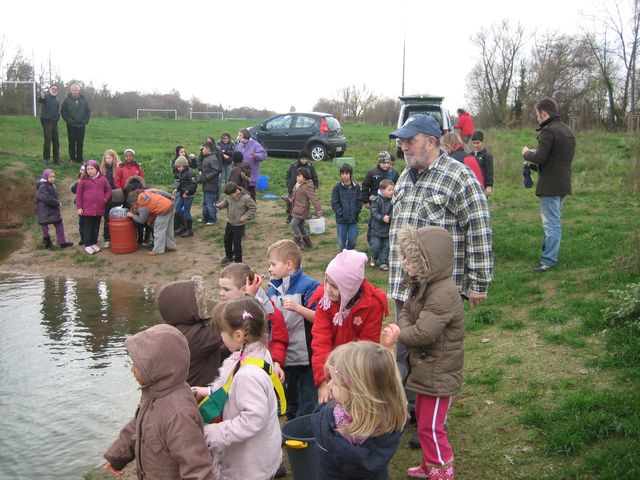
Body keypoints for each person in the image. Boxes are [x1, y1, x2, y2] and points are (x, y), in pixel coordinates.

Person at [388, 114, 492, 437]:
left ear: (432, 142)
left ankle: (431, 421)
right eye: (402, 141)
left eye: (410, 141)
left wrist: (479, 282)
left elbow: (479, 227)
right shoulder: (405, 176)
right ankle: (406, 411)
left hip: (438, 290)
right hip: (403, 287)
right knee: (403, 349)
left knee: (433, 356)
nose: (404, 147)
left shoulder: (458, 177)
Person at [381, 226, 464, 480]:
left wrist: (399, 333)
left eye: (411, 259)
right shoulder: (421, 285)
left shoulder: (442, 294)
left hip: (439, 372)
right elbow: (405, 312)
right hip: (427, 368)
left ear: (428, 263)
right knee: (426, 425)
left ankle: (442, 471)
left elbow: (422, 333)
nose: (404, 263)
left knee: (431, 427)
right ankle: (430, 465)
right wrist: (405, 326)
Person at [103, 324, 214, 480]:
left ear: (157, 368)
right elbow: (137, 425)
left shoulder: (179, 415)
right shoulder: (154, 394)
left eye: (137, 365)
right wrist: (117, 456)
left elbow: (198, 469)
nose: (132, 370)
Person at [194, 297, 283, 480]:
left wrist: (214, 433)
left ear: (239, 336)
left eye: (222, 332)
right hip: (260, 452)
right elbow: (233, 390)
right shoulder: (259, 354)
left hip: (250, 463)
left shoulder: (247, 375)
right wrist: (206, 391)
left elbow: (253, 418)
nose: (221, 336)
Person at [310, 341, 408, 480]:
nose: (330, 385)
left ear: (358, 391)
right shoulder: (387, 424)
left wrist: (320, 416)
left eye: (335, 380)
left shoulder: (326, 422)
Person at [309, 249, 387, 403]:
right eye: (326, 282)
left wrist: (340, 378)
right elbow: (321, 340)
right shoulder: (325, 301)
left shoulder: (372, 305)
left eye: (335, 286)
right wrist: (323, 381)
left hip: (356, 371)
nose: (328, 289)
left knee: (354, 408)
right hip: (328, 366)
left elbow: (365, 347)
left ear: (350, 287)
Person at [266, 239, 320, 420]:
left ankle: (305, 436)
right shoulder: (272, 288)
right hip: (284, 359)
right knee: (289, 401)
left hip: (306, 359)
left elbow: (320, 318)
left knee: (308, 401)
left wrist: (299, 308)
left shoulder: (310, 286)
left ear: (289, 264)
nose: (269, 269)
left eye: (273, 264)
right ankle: (291, 432)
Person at [522, 97, 575, 273]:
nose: (537, 119)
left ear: (544, 113)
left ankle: (548, 261)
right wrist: (533, 167)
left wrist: (527, 153)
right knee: (554, 221)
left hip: (549, 187)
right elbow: (554, 161)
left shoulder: (548, 131)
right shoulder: (567, 131)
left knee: (552, 224)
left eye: (538, 115)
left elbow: (540, 157)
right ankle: (548, 254)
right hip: (562, 184)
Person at [217, 262, 289, 381]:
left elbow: (278, 341)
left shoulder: (269, 313)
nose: (221, 293)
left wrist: (276, 362)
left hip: (259, 372)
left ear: (244, 289)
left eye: (226, 289)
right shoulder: (225, 312)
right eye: (220, 288)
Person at [155, 275, 224, 387]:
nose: (203, 305)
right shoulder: (193, 337)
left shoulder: (174, 330)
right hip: (199, 398)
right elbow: (231, 324)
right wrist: (246, 296)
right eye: (199, 303)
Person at [76, 159, 112, 255]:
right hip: (87, 209)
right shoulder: (83, 180)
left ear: (96, 169)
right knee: (88, 227)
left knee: (96, 227)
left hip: (99, 208)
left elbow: (109, 190)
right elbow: (78, 195)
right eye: (88, 169)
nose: (90, 171)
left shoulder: (103, 179)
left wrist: (105, 199)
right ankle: (88, 245)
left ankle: (94, 243)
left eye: (92, 169)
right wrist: (79, 207)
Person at [216, 181, 257, 264]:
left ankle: (238, 260)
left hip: (238, 225)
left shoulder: (246, 198)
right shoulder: (229, 196)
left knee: (236, 243)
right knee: (227, 240)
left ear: (237, 191)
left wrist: (245, 217)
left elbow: (253, 208)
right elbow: (226, 202)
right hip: (229, 222)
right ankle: (229, 257)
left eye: (232, 195)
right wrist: (219, 205)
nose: (230, 197)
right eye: (229, 195)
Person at [127, 188, 176, 256]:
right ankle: (171, 245)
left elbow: (142, 220)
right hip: (170, 205)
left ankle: (158, 250)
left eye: (133, 205)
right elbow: (160, 191)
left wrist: (132, 215)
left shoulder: (141, 204)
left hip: (163, 210)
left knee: (158, 230)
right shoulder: (146, 192)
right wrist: (171, 196)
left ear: (133, 202)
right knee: (169, 228)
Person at [283, 167, 323, 250]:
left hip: (302, 209)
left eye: (299, 176)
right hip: (296, 208)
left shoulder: (307, 186)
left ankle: (299, 242)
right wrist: (289, 200)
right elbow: (295, 196)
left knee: (294, 224)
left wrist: (319, 210)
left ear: (305, 177)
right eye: (297, 175)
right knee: (300, 226)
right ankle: (307, 241)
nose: (297, 177)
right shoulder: (297, 184)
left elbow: (314, 198)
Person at [35, 168, 73, 249]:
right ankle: (47, 243)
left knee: (59, 224)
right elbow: (45, 198)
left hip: (53, 209)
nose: (53, 178)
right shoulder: (42, 186)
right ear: (45, 177)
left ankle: (62, 242)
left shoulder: (51, 185)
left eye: (53, 177)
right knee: (45, 228)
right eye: (50, 177)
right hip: (44, 210)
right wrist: (57, 203)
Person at [331, 163, 363, 251]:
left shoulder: (356, 187)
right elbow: (334, 203)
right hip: (341, 220)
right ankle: (343, 255)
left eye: (347, 173)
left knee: (353, 239)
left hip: (353, 218)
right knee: (341, 241)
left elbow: (359, 201)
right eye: (342, 174)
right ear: (340, 175)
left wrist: (356, 211)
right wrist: (341, 213)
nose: (344, 176)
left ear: (350, 174)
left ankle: (349, 253)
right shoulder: (336, 188)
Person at [285, 150, 319, 223]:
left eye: (306, 159)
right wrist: (288, 184)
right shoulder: (294, 165)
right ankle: (290, 216)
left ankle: (301, 218)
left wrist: (315, 185)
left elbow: (314, 176)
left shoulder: (310, 166)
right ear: (299, 159)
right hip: (293, 187)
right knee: (291, 203)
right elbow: (288, 174)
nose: (304, 161)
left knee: (301, 204)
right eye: (302, 159)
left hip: (304, 188)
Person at [60, 83, 91, 163]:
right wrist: (69, 120)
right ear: (71, 90)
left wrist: (85, 121)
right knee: (72, 142)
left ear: (79, 90)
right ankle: (72, 159)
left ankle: (80, 159)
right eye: (73, 90)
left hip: (81, 125)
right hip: (71, 125)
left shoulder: (83, 99)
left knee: (80, 142)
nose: (75, 91)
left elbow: (88, 111)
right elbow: (63, 111)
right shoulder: (67, 100)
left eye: (76, 90)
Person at [235, 128, 267, 201]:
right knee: (241, 193)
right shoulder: (239, 145)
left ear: (246, 136)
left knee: (250, 193)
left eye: (240, 135)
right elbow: (235, 156)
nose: (238, 137)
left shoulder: (255, 145)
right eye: (238, 135)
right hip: (240, 173)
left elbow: (263, 155)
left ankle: (252, 209)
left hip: (250, 173)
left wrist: (255, 155)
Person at [368, 178, 394, 270]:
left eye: (393, 190)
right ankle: (374, 257)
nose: (392, 192)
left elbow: (394, 212)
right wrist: (382, 218)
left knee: (386, 247)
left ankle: (384, 263)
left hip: (387, 230)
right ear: (382, 190)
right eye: (389, 190)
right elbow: (374, 212)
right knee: (375, 246)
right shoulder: (376, 200)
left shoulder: (393, 201)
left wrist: (390, 217)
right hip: (376, 230)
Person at [172, 156, 198, 237]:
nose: (178, 169)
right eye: (177, 167)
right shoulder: (182, 172)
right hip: (182, 194)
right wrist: (177, 189)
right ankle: (182, 226)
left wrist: (187, 192)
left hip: (188, 196)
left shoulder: (190, 173)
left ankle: (189, 230)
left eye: (179, 167)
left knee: (186, 213)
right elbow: (182, 183)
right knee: (178, 209)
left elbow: (194, 185)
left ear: (184, 165)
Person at [100, 149, 120, 248]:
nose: (108, 160)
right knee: (107, 217)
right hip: (106, 197)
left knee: (117, 216)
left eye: (109, 158)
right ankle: (107, 238)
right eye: (106, 158)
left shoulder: (118, 168)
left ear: (114, 158)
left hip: (117, 196)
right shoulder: (102, 170)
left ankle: (118, 236)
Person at [199, 141, 222, 225]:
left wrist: (206, 177)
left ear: (208, 149)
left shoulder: (213, 158)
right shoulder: (207, 157)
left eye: (203, 149)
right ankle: (205, 218)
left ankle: (212, 219)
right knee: (205, 202)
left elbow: (216, 170)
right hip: (206, 184)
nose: (202, 150)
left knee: (210, 203)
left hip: (211, 185)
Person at [38, 85, 61, 164]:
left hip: (55, 122)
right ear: (50, 89)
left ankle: (56, 159)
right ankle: (46, 158)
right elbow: (41, 100)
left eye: (56, 89)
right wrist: (41, 97)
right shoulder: (46, 97)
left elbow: (57, 110)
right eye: (53, 89)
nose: (54, 90)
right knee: (48, 140)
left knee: (56, 141)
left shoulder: (57, 99)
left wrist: (58, 117)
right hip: (47, 122)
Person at [471, 130, 494, 197]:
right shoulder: (470, 155)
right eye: (474, 143)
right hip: (473, 184)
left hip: (482, 185)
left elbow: (490, 171)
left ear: (482, 142)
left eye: (478, 143)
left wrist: (489, 186)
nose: (475, 145)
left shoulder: (487, 155)